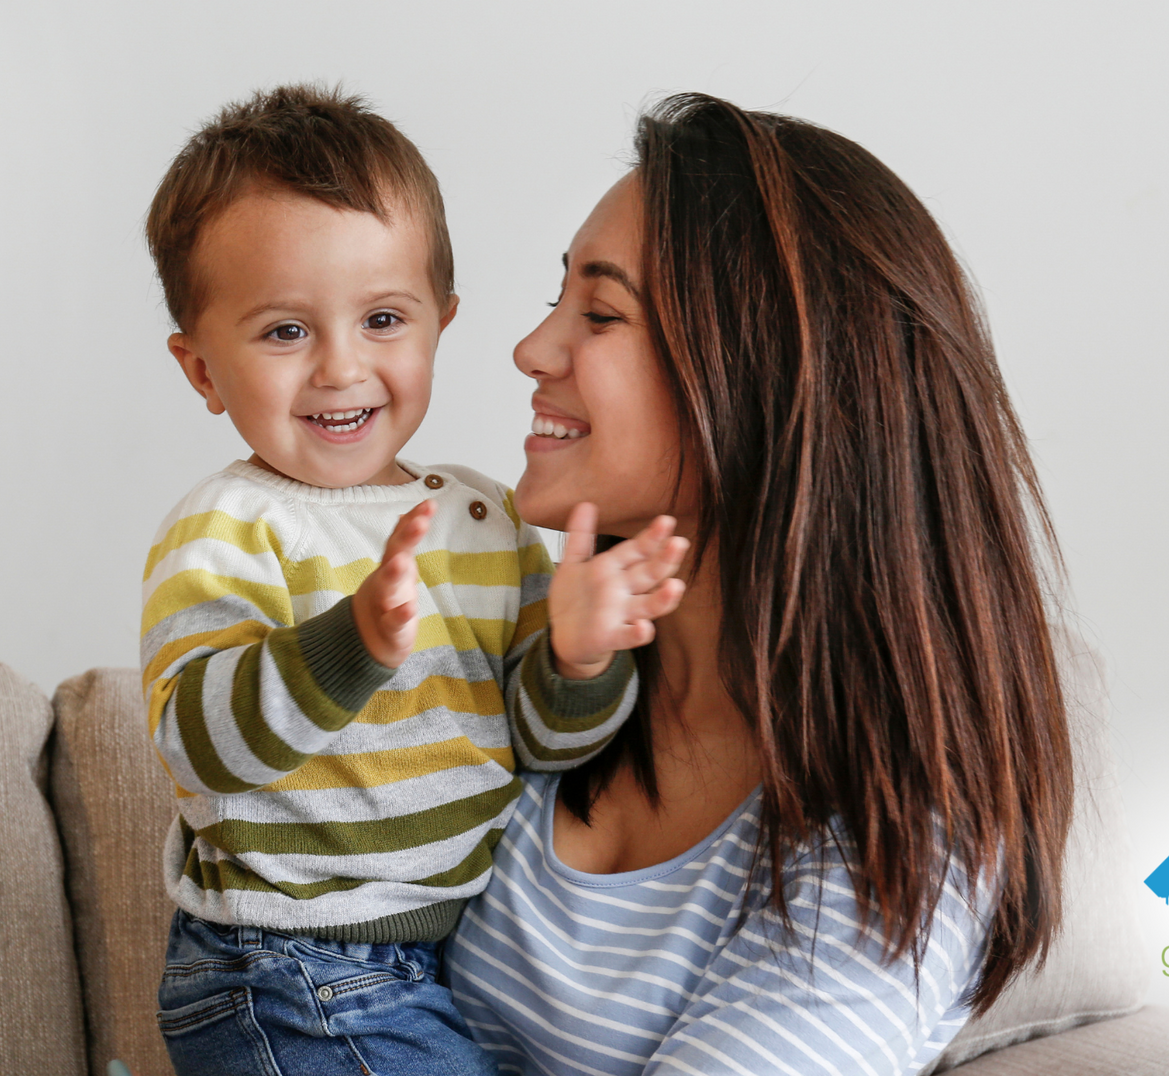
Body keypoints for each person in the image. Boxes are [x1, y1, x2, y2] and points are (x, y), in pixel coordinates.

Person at [443, 93, 1075, 1076]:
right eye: (557, 298)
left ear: (762, 380)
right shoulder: (528, 655)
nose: (532, 350)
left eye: (600, 313)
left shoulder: (900, 838)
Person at [136, 84, 689, 1076]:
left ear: (442, 322)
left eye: (383, 318)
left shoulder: (488, 520)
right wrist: (350, 642)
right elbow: (200, 745)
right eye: (284, 332)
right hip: (287, 965)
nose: (341, 368)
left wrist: (579, 654)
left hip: (437, 960)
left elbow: (538, 741)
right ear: (202, 370)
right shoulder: (228, 528)